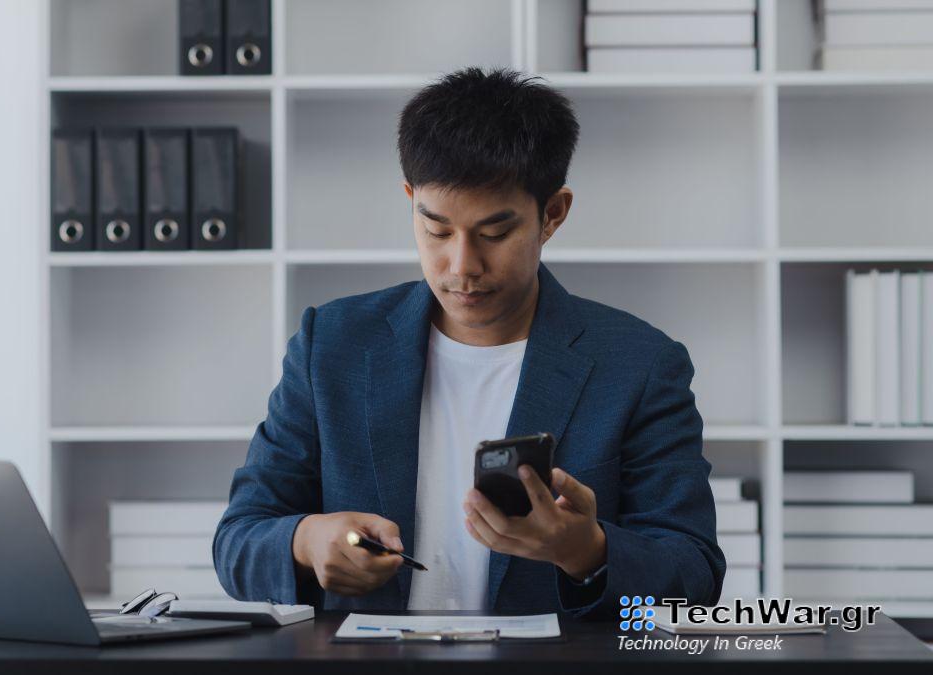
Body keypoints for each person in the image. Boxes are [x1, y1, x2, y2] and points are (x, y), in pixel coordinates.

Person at [213, 67, 725, 616]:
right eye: (436, 230)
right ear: (411, 199)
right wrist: (307, 541)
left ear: (552, 214)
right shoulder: (332, 344)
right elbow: (239, 540)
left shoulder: (640, 364)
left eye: (494, 233)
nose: (462, 266)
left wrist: (585, 551)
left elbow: (693, 575)